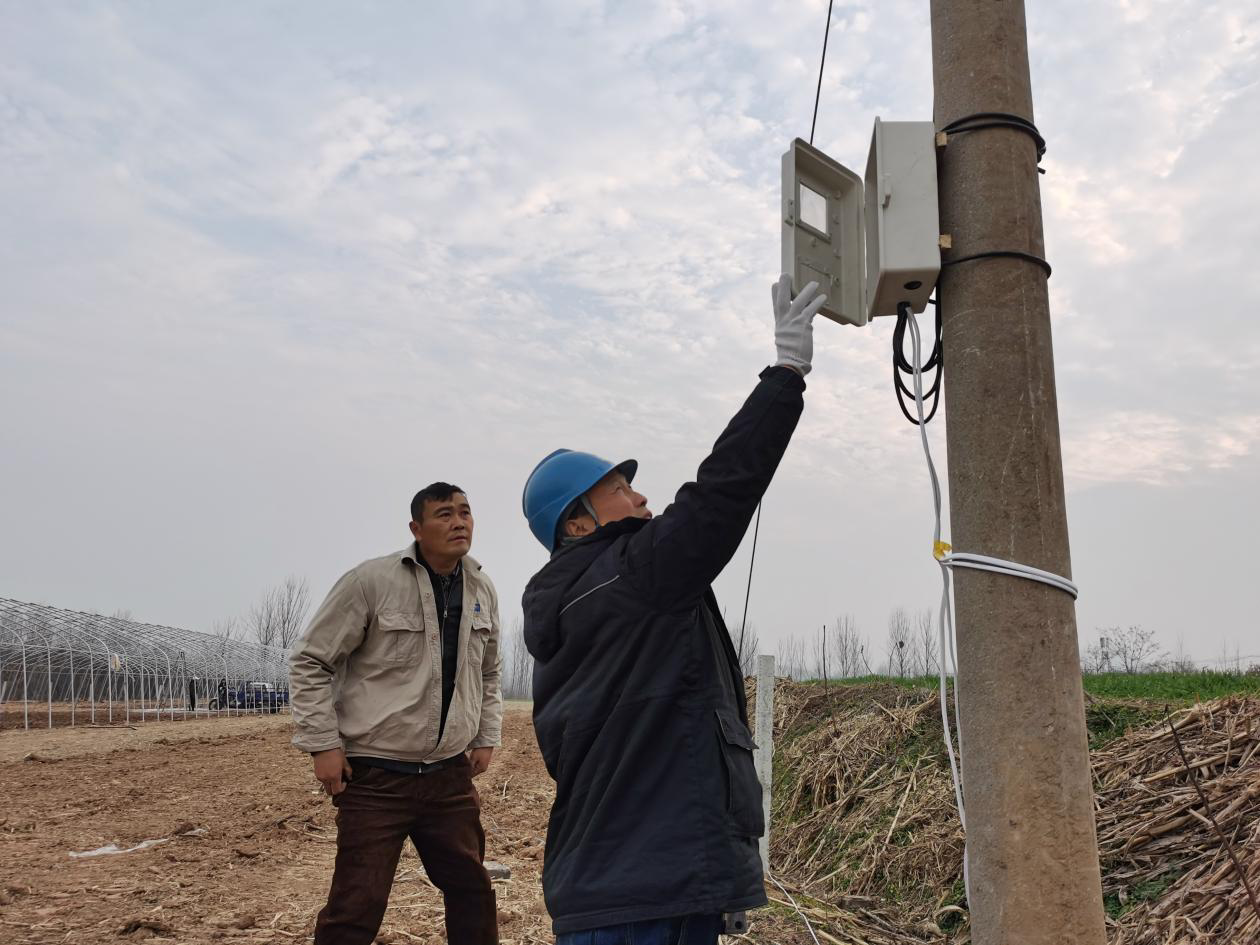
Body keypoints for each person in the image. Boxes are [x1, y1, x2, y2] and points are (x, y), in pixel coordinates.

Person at [519, 277, 827, 942]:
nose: (640, 498)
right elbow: (720, 492)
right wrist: (786, 373)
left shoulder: (579, 608)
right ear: (576, 525)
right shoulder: (628, 579)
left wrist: (716, 872)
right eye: (620, 489)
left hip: (630, 889)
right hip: (642, 903)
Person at [289, 482, 502, 945]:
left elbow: (489, 672)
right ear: (416, 528)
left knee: (472, 890)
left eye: (465, 512)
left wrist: (486, 734)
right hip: (376, 778)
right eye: (444, 514)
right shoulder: (371, 582)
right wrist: (323, 744)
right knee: (357, 905)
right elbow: (311, 661)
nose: (459, 521)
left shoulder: (482, 587)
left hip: (449, 778)